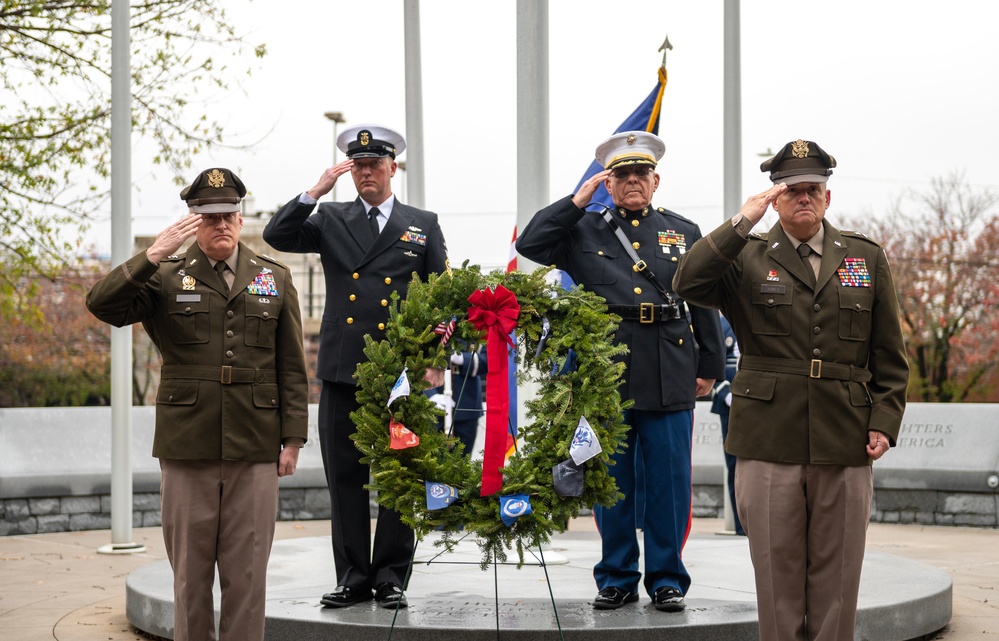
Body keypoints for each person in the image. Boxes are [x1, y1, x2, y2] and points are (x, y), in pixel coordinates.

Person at [673, 139, 909, 641]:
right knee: (776, 573)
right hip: (767, 438)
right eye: (792, 190)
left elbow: (889, 353)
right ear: (775, 199)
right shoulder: (746, 256)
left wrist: (885, 421)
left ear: (828, 197)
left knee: (839, 576)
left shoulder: (865, 257)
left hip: (846, 435)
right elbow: (687, 282)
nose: (804, 197)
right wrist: (742, 222)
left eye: (813, 189)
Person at [86, 168, 309, 641]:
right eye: (210, 217)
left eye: (228, 215)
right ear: (193, 221)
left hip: (256, 442)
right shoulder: (165, 276)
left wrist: (293, 438)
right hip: (188, 443)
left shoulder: (274, 277)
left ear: (241, 218)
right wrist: (152, 254)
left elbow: (291, 365)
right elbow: (102, 305)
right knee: (189, 575)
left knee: (248, 574)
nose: (221, 224)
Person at [516, 131, 724, 613]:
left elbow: (702, 299)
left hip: (671, 365)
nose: (633, 181)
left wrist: (710, 363)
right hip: (604, 370)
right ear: (608, 183)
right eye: (622, 174)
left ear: (655, 181)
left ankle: (667, 579)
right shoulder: (582, 229)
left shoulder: (683, 231)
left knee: (669, 482)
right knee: (610, 481)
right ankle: (617, 576)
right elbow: (531, 243)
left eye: (641, 173)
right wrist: (577, 201)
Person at [262, 124, 449, 610]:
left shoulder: (422, 223)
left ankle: (390, 577)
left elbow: (442, 298)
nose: (366, 173)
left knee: (399, 477)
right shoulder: (329, 217)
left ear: (392, 168)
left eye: (374, 165)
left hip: (401, 376)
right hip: (344, 369)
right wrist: (314, 191)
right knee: (344, 479)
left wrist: (435, 360)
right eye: (358, 166)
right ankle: (351, 577)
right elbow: (276, 234)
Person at [709, 311, 744, 535]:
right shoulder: (721, 325)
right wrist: (726, 394)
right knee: (733, 463)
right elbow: (713, 364)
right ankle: (740, 524)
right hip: (729, 403)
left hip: (756, 404)